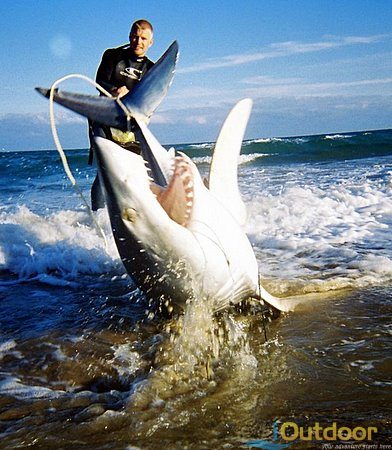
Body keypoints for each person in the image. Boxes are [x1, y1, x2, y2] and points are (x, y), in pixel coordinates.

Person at [89, 19, 155, 210]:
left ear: (150, 42)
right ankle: (99, 217)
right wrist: (114, 91)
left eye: (143, 38)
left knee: (134, 173)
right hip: (103, 120)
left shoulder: (151, 69)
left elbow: (151, 100)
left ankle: (130, 214)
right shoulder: (112, 55)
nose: (138, 41)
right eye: (135, 36)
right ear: (129, 36)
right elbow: (99, 81)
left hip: (130, 126)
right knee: (106, 171)